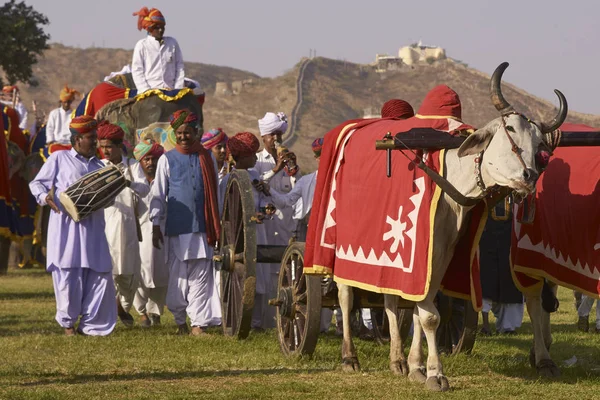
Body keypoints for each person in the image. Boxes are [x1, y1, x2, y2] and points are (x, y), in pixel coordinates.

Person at [28, 116, 116, 336]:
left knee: (99, 274)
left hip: (93, 228)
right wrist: (44, 197)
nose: (95, 142)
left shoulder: (100, 165)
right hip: (66, 229)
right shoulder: (60, 158)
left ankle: (91, 325)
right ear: (77, 139)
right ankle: (68, 325)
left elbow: (109, 197)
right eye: (90, 138)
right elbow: (37, 183)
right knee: (69, 274)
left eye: (95, 138)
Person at [150, 109, 221, 335]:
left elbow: (216, 193)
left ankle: (198, 324)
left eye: (187, 132)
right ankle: (181, 321)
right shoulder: (166, 159)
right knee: (178, 280)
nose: (183, 137)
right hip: (177, 229)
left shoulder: (207, 157)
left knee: (201, 277)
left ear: (196, 132)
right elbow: (158, 194)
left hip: (203, 228)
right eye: (179, 133)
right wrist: (154, 224)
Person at [97, 121, 150, 327]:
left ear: (120, 146)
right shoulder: (99, 166)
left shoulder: (132, 166)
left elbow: (145, 190)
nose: (105, 150)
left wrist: (127, 182)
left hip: (128, 226)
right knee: (107, 272)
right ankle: (111, 311)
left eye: (109, 146)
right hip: (104, 226)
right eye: (102, 146)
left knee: (129, 274)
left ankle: (122, 306)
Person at [253, 111, 301, 330]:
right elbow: (254, 184)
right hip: (265, 228)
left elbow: (295, 192)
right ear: (263, 137)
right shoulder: (257, 162)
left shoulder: (288, 159)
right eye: (272, 135)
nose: (276, 139)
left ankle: (282, 324)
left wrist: (292, 171)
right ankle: (262, 324)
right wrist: (275, 170)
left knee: (285, 278)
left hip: (285, 229)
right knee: (264, 278)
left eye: (279, 135)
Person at [131, 140, 168, 328]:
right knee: (141, 272)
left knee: (161, 273)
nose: (150, 163)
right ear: (140, 161)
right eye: (146, 159)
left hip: (163, 233)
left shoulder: (166, 183)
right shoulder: (135, 184)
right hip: (140, 235)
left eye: (154, 159)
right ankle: (142, 312)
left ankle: (156, 312)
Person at [479, 197, 524, 335]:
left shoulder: (516, 187)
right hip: (486, 236)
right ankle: (485, 324)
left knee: (509, 281)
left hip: (509, 238)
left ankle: (507, 326)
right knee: (486, 282)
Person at [131, 7, 185, 93]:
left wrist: (177, 89)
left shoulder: (172, 43)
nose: (161, 30)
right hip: (149, 92)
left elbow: (179, 66)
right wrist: (146, 90)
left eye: (162, 27)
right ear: (149, 28)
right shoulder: (142, 45)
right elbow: (137, 70)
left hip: (171, 90)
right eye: (157, 27)